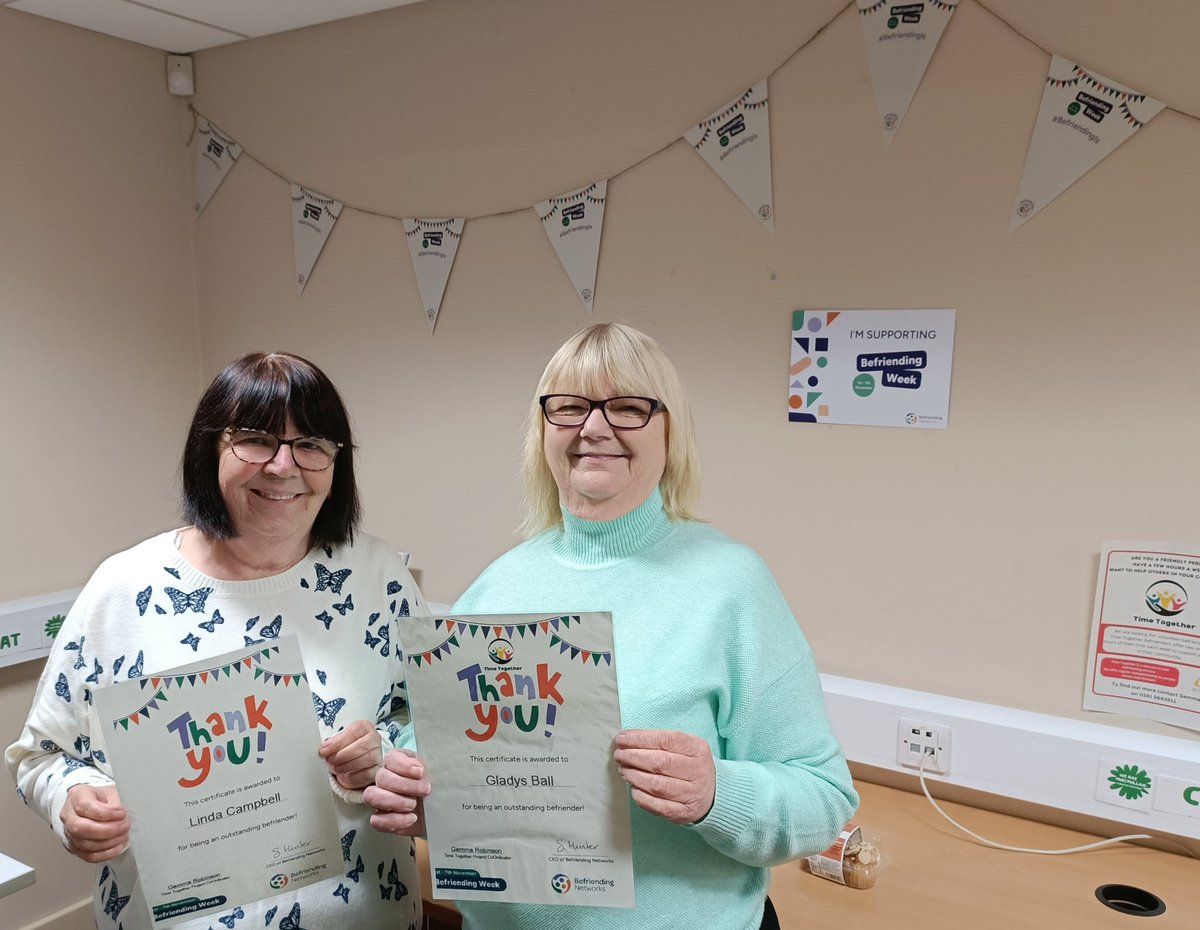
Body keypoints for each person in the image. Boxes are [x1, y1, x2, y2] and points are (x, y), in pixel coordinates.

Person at [366, 323, 858, 930]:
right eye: (569, 408)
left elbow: (824, 798)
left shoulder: (731, 584)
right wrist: (417, 802)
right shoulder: (497, 587)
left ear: (669, 432)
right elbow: (433, 766)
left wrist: (714, 796)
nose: (593, 428)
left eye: (627, 407)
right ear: (542, 431)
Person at [7, 352, 423, 930]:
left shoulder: (377, 578)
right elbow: (41, 756)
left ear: (336, 463)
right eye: (255, 440)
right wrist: (71, 802)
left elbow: (428, 721)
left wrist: (385, 757)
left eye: (311, 444)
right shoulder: (124, 590)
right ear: (211, 449)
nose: (282, 466)